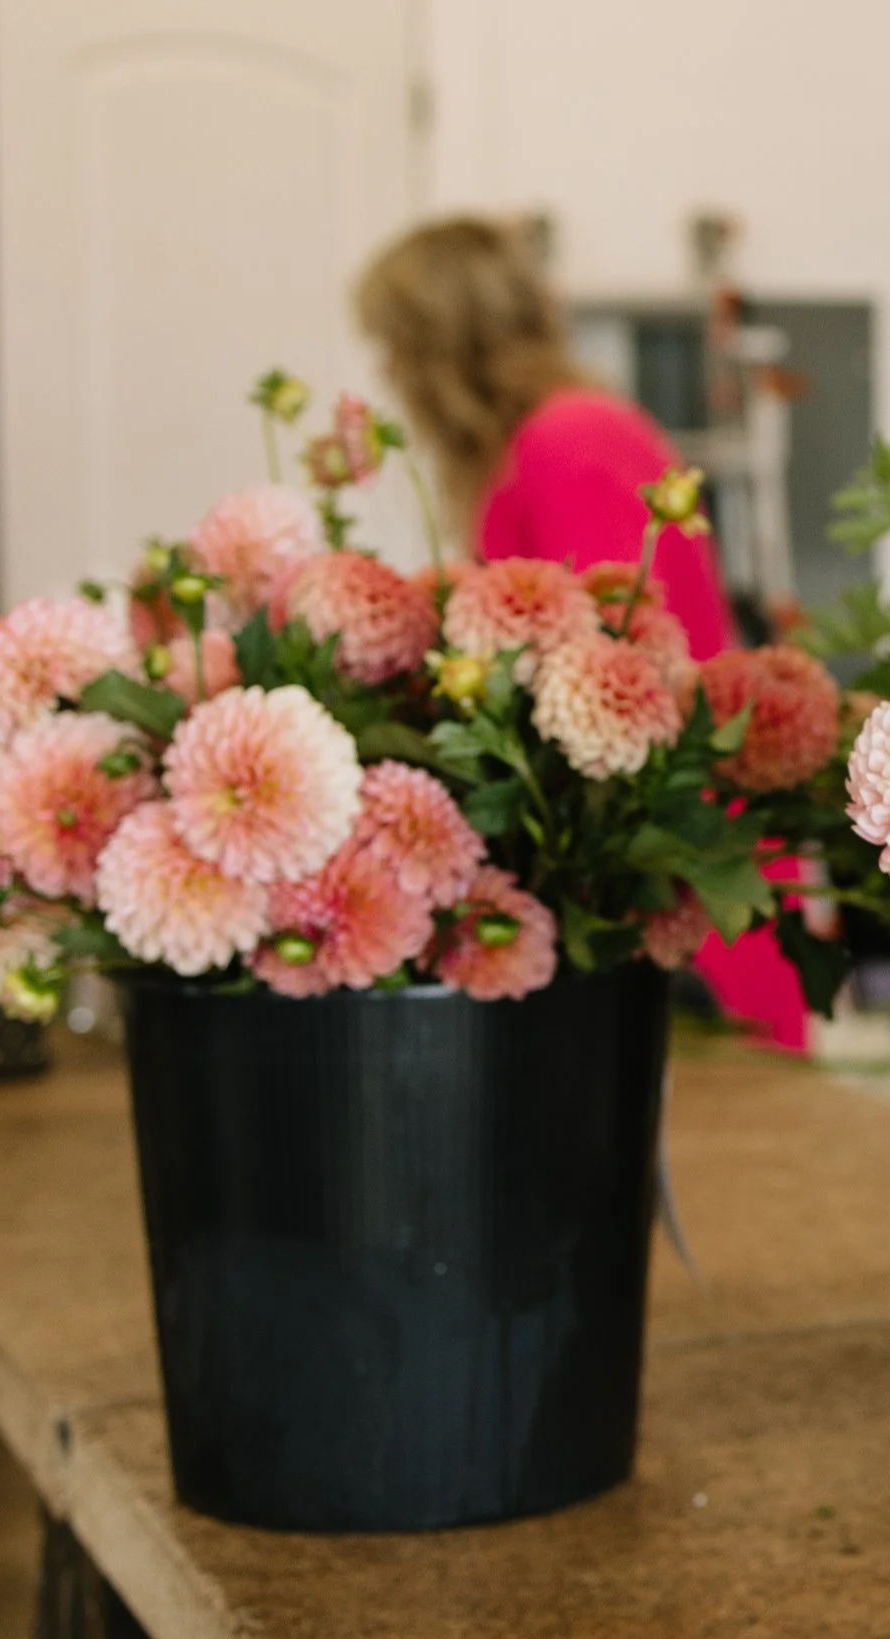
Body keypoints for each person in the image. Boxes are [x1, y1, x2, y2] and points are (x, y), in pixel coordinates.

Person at [355, 216, 806, 1045]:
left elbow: (613, 671)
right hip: (659, 862)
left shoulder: (568, 441)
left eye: (395, 346)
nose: (389, 373)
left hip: (678, 874)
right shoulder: (556, 435)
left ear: (443, 345)